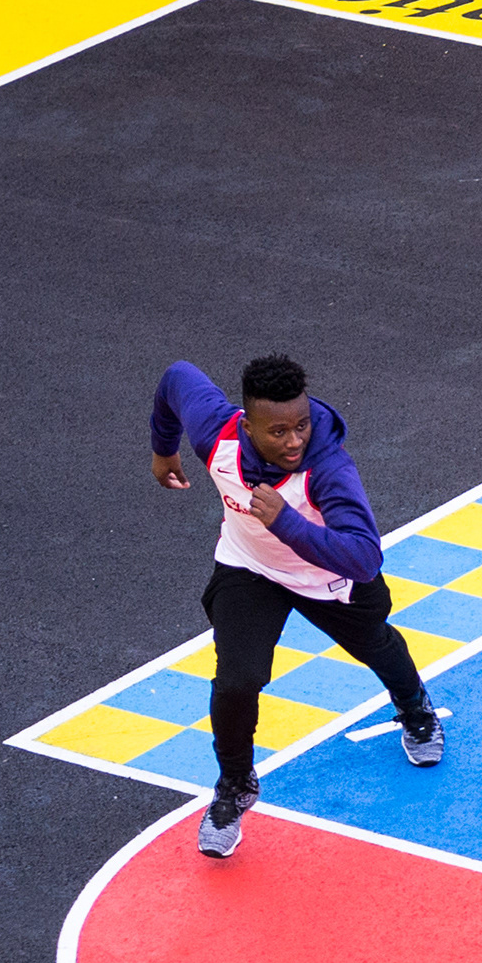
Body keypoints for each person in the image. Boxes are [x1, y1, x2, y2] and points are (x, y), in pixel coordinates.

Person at [149, 353, 442, 861]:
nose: (294, 441)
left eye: (302, 426)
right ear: (247, 426)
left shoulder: (328, 469)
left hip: (327, 576)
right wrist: (163, 449)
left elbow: (364, 558)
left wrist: (285, 521)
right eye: (279, 431)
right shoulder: (218, 435)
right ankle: (235, 785)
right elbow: (177, 377)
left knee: (375, 643)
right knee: (236, 681)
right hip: (250, 569)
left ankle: (415, 706)